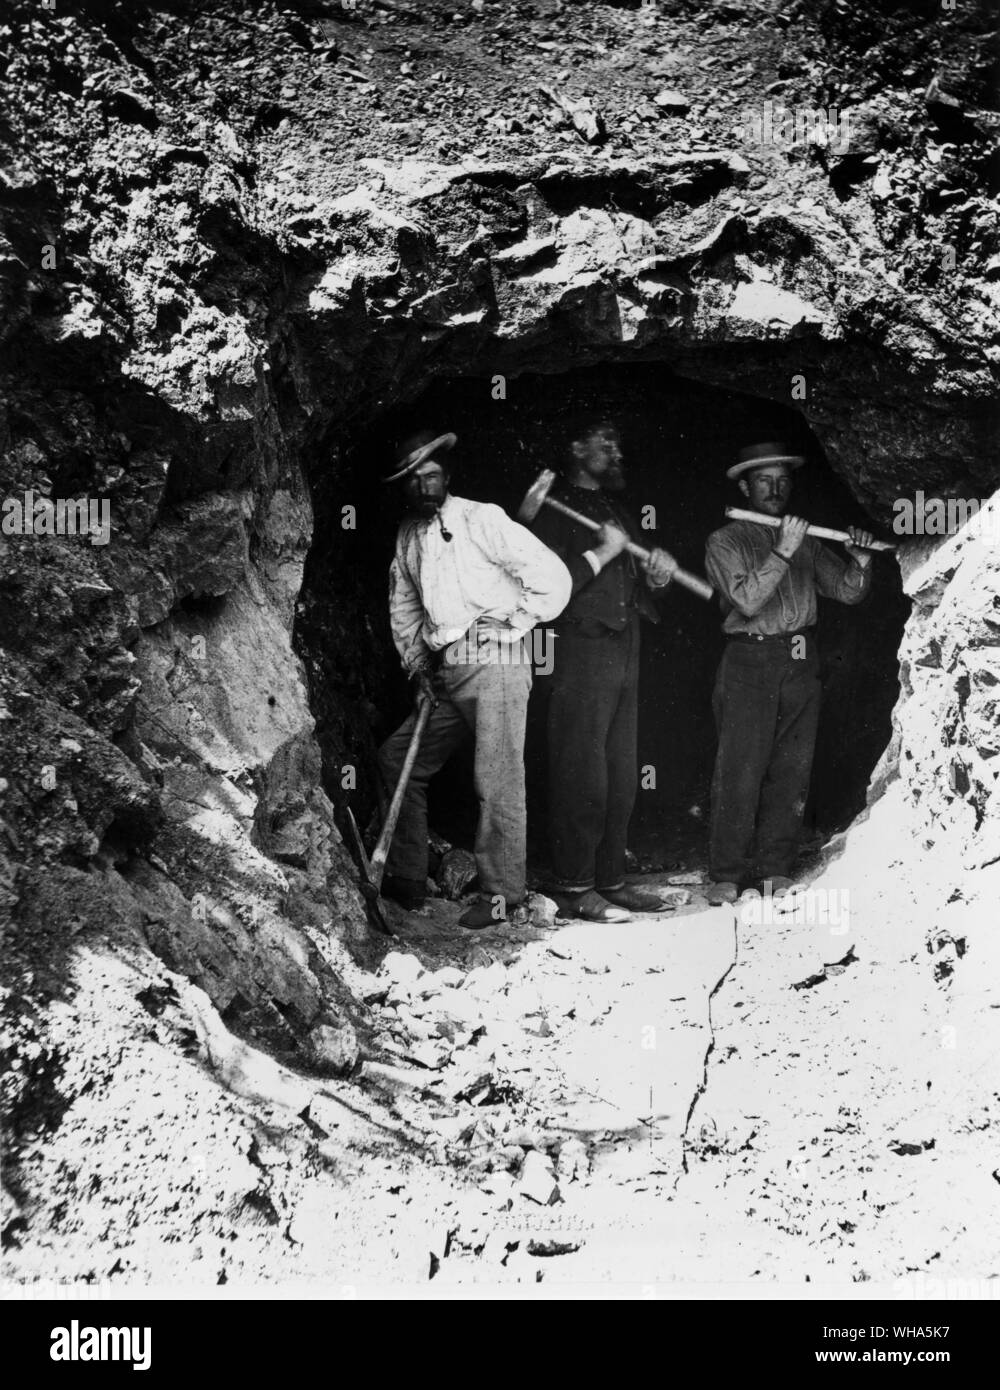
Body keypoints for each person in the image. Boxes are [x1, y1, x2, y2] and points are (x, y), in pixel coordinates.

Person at [377, 428, 572, 930]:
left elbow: (551, 575)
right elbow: (406, 608)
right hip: (446, 670)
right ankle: (407, 878)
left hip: (496, 664)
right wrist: (418, 667)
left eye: (433, 475)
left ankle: (502, 893)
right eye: (414, 479)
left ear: (448, 475)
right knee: (397, 760)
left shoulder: (480, 518)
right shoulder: (407, 536)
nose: (425, 486)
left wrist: (515, 623)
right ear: (403, 486)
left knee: (497, 775)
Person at [704, 442, 876, 904]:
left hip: (800, 659)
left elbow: (846, 591)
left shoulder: (805, 539)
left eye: (782, 481)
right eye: (764, 481)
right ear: (745, 486)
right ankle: (725, 874)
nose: (775, 490)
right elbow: (747, 601)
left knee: (791, 769)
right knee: (740, 769)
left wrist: (860, 562)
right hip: (749, 661)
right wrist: (782, 550)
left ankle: (774, 870)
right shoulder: (725, 541)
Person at [529, 414, 678, 923]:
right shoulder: (550, 511)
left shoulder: (614, 508)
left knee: (620, 770)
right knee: (581, 770)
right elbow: (545, 590)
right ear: (575, 445)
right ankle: (574, 886)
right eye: (605, 441)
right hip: (577, 649)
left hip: (624, 647)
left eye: (618, 442)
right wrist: (603, 550)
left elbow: (635, 580)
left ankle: (611, 880)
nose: (617, 452)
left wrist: (656, 576)